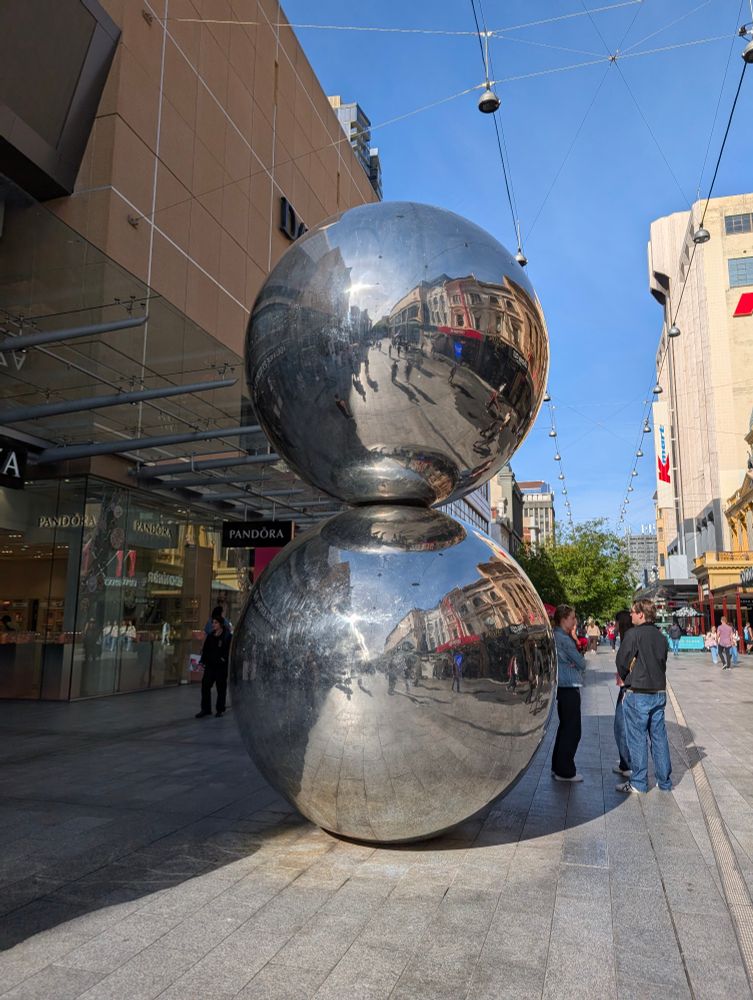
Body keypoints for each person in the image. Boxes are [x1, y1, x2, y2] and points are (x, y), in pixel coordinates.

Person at [615, 599, 672, 794]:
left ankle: (639, 782)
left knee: (637, 738)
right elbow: (662, 662)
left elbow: (622, 660)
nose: (630, 615)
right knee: (659, 737)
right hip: (658, 691)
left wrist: (626, 677)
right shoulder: (660, 636)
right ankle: (664, 781)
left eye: (632, 612)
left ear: (641, 614)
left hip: (638, 691)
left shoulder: (634, 634)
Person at [551, 604, 587, 783]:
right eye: (572, 617)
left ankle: (558, 766)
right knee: (572, 730)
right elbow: (581, 663)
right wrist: (575, 660)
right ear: (563, 619)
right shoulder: (564, 639)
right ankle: (565, 771)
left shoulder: (557, 636)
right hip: (569, 685)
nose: (575, 621)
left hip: (562, 686)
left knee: (565, 727)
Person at [196, 615, 232, 718]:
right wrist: (203, 661)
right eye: (213, 623)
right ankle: (205, 709)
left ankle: (220, 709)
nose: (213, 624)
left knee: (221, 688)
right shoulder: (211, 636)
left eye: (215, 623)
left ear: (220, 624)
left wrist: (223, 659)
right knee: (205, 686)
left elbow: (228, 650)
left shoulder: (227, 636)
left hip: (220, 667)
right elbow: (206, 650)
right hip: (210, 666)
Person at [613, 609, 633, 779]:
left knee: (622, 726)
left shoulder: (629, 638)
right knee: (619, 725)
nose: (614, 626)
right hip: (626, 685)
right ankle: (624, 762)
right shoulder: (625, 638)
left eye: (616, 622)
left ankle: (628, 764)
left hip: (628, 687)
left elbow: (623, 663)